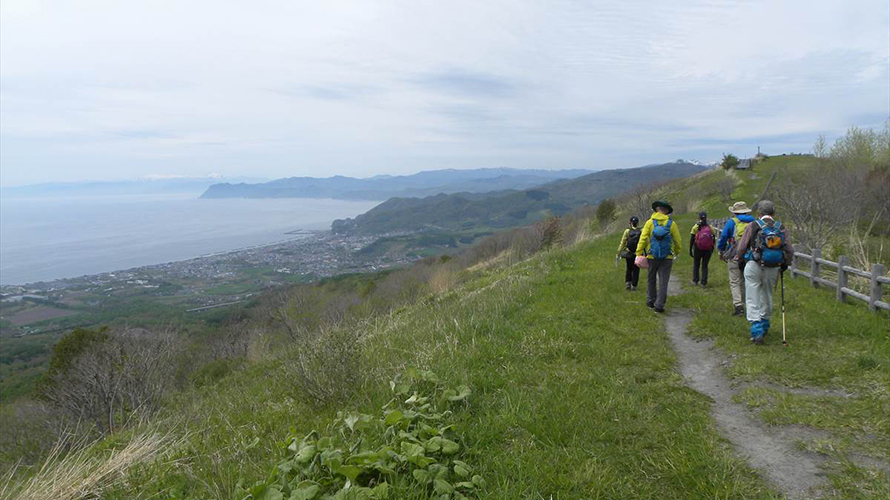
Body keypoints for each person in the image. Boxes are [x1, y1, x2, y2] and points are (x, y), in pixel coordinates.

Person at [734, 200, 794, 344]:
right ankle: (765, 324)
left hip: (754, 264)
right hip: (772, 267)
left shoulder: (753, 225)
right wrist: (786, 263)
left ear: (759, 213)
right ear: (773, 213)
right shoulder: (780, 227)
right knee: (767, 295)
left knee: (752, 295)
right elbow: (789, 249)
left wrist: (740, 260)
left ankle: (756, 330)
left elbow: (742, 247)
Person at [635, 200, 681, 313]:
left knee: (651, 279)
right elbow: (678, 241)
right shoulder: (672, 224)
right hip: (667, 257)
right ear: (666, 211)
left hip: (652, 256)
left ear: (657, 209)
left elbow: (643, 239)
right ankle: (659, 305)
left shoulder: (649, 223)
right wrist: (675, 252)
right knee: (663, 281)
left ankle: (651, 301)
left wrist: (639, 253)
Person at [718, 201, 756, 316]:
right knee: (746, 280)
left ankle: (738, 306)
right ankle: (748, 304)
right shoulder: (754, 222)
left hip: (734, 255)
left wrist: (721, 250)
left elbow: (723, 237)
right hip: (750, 256)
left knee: (735, 281)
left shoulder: (732, 222)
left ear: (735, 212)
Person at [689, 212, 716, 287]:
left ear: (699, 218)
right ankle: (703, 282)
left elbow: (692, 239)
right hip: (708, 249)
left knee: (696, 264)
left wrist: (690, 249)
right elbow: (713, 238)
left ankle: (695, 280)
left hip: (698, 248)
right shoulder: (710, 227)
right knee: (704, 265)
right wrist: (712, 248)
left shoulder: (695, 227)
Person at [616, 216, 642, 290]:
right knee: (636, 269)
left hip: (629, 253)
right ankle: (634, 285)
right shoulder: (641, 231)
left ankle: (628, 282)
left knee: (629, 267)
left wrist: (618, 252)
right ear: (637, 223)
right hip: (637, 253)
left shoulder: (627, 231)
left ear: (630, 223)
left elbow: (623, 242)